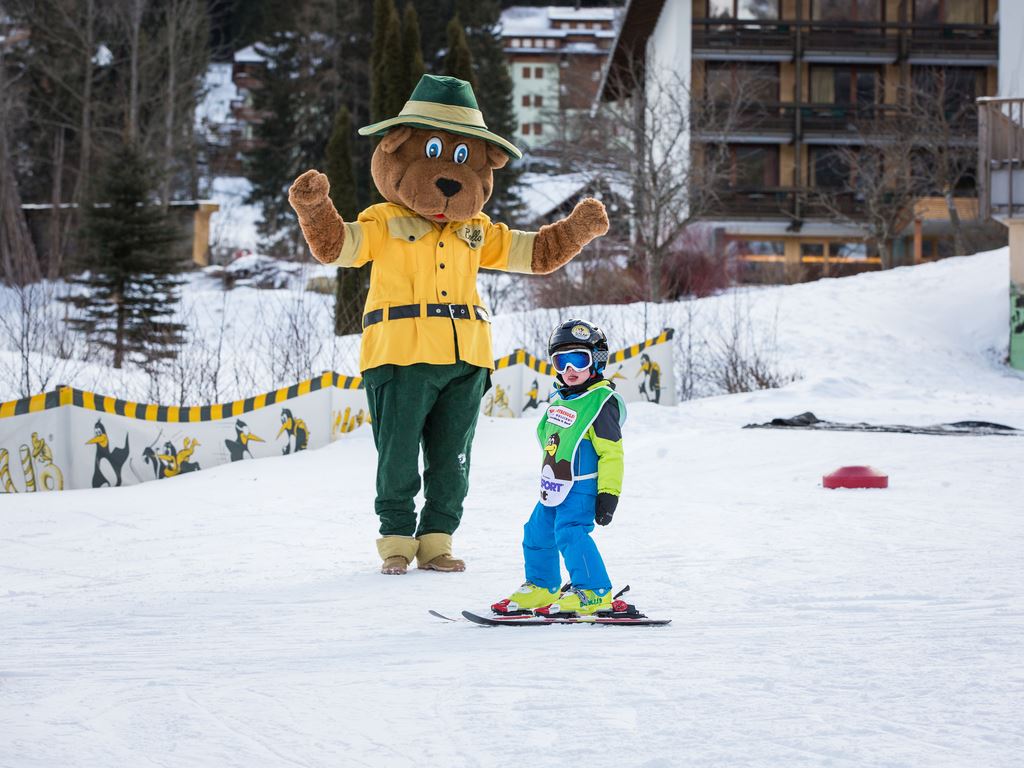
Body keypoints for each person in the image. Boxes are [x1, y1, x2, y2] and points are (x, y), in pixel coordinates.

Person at [491, 319, 626, 616]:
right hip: (554, 486)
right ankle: (542, 585)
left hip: (583, 487)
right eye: (561, 361)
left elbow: (612, 453)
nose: (569, 370)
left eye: (579, 359)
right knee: (536, 532)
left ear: (597, 361)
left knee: (570, 533)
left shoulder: (600, 403)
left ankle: (594, 590)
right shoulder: (561, 399)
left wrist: (609, 493)